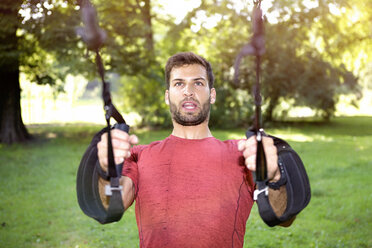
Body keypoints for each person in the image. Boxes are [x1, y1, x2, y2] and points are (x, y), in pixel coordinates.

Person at [96, 52, 293, 247]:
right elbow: (109, 206)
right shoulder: (139, 155)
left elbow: (283, 218)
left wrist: (274, 176)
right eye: (179, 83)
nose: (188, 91)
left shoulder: (244, 154)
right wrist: (107, 171)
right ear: (167, 96)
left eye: (198, 83)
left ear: (212, 94)